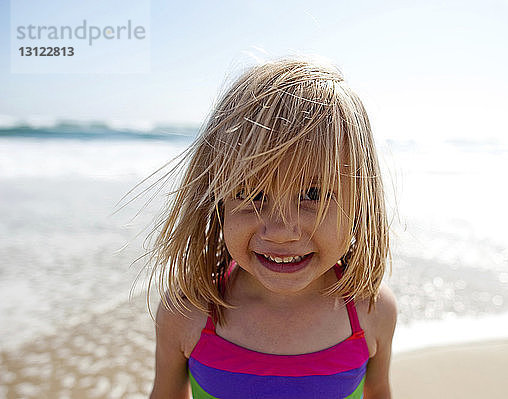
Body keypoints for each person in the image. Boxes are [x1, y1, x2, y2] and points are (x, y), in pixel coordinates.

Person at [147, 56, 397, 399]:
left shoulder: (371, 310)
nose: (280, 231)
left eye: (312, 194)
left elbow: (379, 391)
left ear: (361, 203)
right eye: (252, 193)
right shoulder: (189, 309)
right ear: (218, 200)